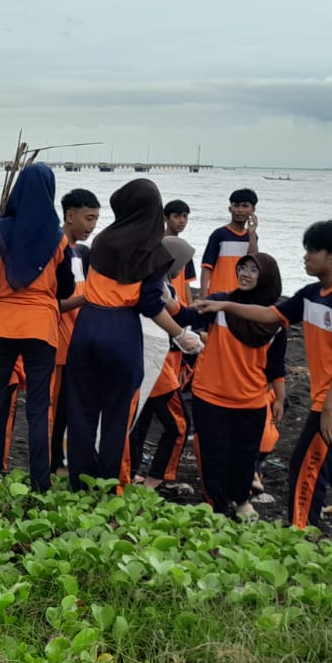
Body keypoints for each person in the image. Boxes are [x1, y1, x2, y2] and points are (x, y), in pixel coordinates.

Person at [200, 220, 332, 538]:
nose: (306, 257)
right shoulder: (313, 293)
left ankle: (299, 533)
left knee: (306, 466)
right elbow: (272, 315)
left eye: (313, 250)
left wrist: (329, 408)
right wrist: (226, 303)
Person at [66, 179, 203, 491]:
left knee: (81, 410)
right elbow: (150, 304)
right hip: (122, 332)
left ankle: (78, 483)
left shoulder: (102, 240)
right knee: (116, 417)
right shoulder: (152, 252)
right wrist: (181, 334)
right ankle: (107, 484)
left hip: (87, 326)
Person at [0, 164, 71, 491]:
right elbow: (66, 289)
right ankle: (40, 483)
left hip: (2, 326)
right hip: (42, 329)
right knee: (38, 411)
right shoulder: (58, 237)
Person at [181, 253, 288, 517]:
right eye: (243, 268)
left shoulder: (274, 320)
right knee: (213, 455)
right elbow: (188, 316)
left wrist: (280, 398)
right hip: (210, 394)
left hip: (251, 398)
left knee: (244, 456)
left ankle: (240, 500)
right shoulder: (220, 303)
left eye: (254, 270)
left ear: (267, 278)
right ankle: (215, 505)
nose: (245, 273)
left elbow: (276, 365)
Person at [135, 199, 198, 487]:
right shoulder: (157, 286)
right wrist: (182, 335)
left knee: (141, 419)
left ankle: (134, 472)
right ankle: (156, 478)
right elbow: (165, 312)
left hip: (154, 358)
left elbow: (179, 311)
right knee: (178, 425)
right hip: (158, 362)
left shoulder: (161, 282)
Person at [50, 189, 100, 476]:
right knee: (54, 411)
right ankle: (53, 462)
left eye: (96, 219)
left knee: (69, 409)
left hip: (76, 345)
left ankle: (61, 460)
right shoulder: (57, 249)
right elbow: (52, 303)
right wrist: (88, 298)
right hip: (57, 344)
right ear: (70, 216)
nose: (92, 225)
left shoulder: (80, 252)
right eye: (89, 218)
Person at [200, 188, 258, 295]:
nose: (240, 210)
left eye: (245, 206)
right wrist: (203, 293)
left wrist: (252, 233)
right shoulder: (219, 234)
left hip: (241, 295)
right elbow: (207, 266)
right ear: (230, 209)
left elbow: (254, 260)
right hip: (218, 294)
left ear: (253, 209)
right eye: (236, 205)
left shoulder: (251, 236)